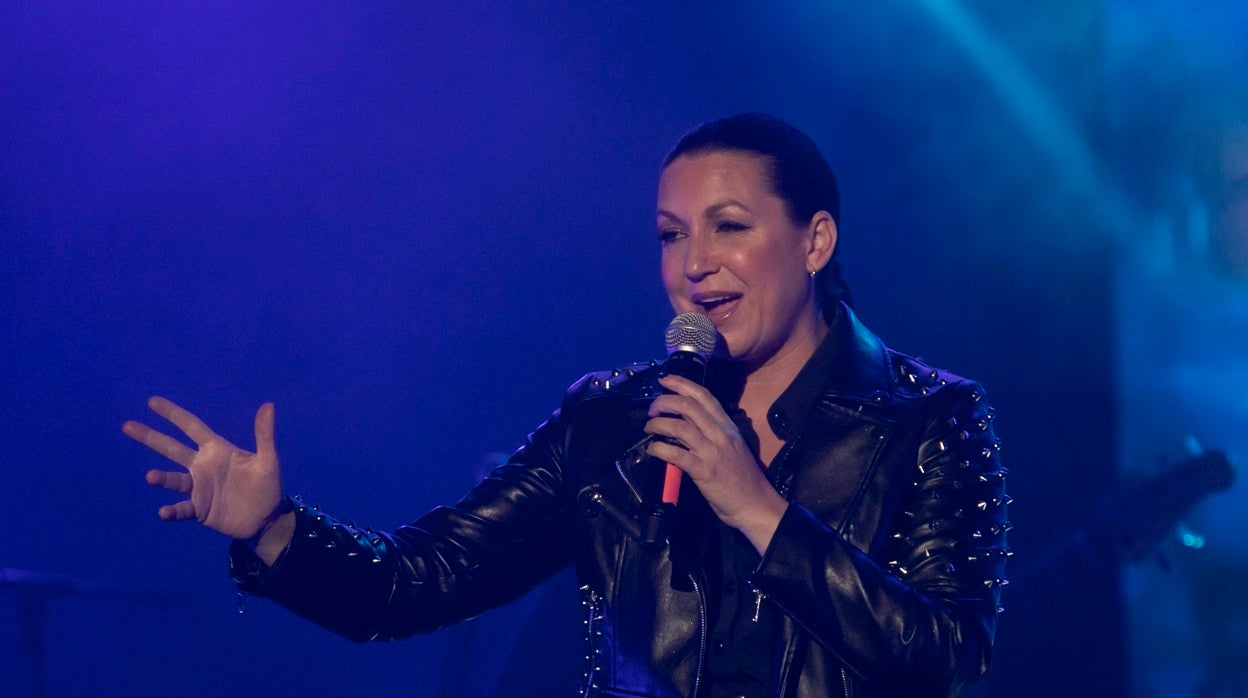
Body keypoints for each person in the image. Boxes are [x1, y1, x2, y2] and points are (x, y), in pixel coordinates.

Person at [123, 113, 1009, 698]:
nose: (693, 265)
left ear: (815, 239)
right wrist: (273, 527)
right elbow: (416, 582)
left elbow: (950, 661)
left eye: (729, 227)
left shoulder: (927, 422)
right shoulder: (615, 423)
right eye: (671, 236)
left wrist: (761, 513)